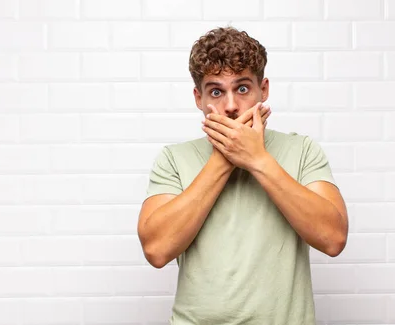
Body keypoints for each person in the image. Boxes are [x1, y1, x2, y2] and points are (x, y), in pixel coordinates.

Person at [137, 26, 349, 325]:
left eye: (243, 88)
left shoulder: (302, 150)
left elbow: (333, 239)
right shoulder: (173, 158)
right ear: (199, 98)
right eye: (216, 92)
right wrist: (225, 158)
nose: (232, 105)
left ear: (264, 90)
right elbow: (157, 251)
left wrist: (258, 160)